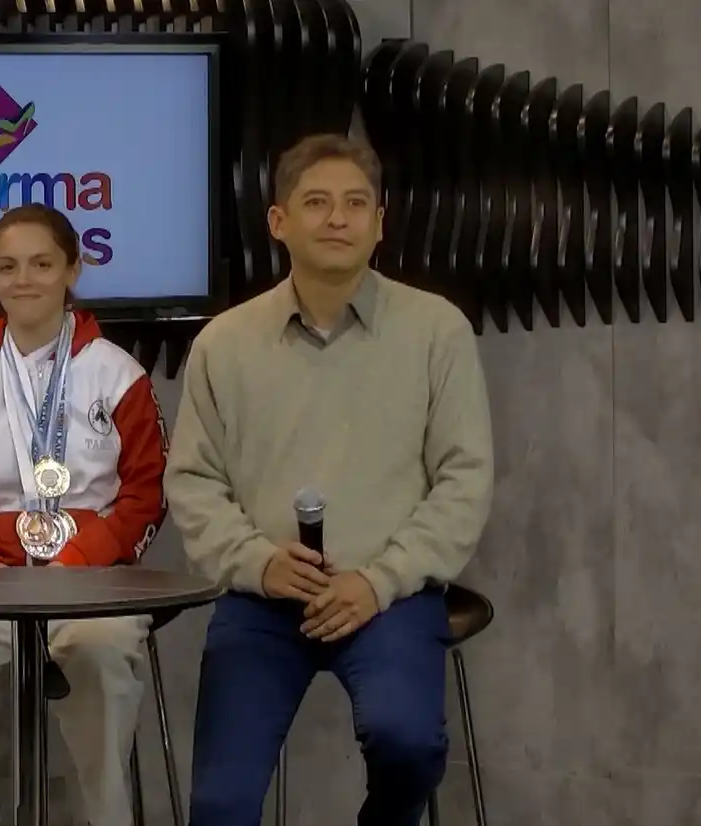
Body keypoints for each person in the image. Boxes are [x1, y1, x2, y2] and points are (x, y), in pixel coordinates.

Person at [165, 134, 494, 826]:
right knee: (219, 807)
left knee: (407, 744)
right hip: (264, 599)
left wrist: (379, 579)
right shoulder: (224, 343)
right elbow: (193, 480)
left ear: (381, 221)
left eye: (355, 204)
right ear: (278, 221)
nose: (337, 218)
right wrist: (256, 562)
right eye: (317, 203)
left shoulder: (438, 331)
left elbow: (463, 479)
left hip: (387, 595)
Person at [0, 203, 170, 826]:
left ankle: (102, 817)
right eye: (8, 266)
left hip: (94, 585)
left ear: (72, 269)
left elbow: (145, 495)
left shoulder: (118, 374)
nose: (24, 279)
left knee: (102, 661)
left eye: (42, 263)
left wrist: (77, 562)